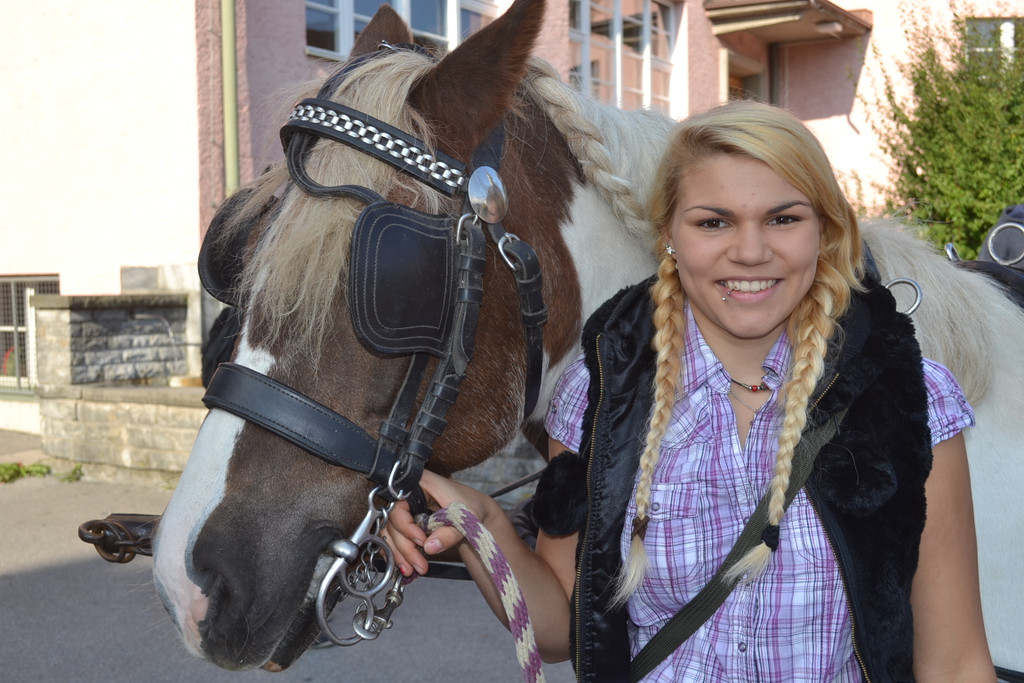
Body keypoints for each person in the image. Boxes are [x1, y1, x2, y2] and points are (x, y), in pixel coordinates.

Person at [386, 100, 995, 682]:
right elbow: (558, 629)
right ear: (669, 236)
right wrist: (484, 519)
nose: (750, 252)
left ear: (825, 233)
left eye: (783, 219)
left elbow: (955, 665)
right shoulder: (600, 396)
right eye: (713, 222)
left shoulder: (910, 398)